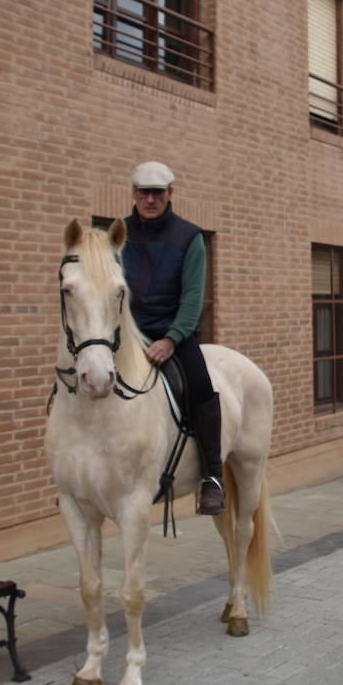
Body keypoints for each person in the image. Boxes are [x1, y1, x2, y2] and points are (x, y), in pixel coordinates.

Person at [122, 161, 224, 515]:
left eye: (158, 193)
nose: (150, 199)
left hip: (174, 335)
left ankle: (212, 477)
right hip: (129, 334)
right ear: (133, 193)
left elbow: (193, 297)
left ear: (170, 194)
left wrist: (172, 338)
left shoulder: (189, 236)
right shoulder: (117, 233)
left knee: (200, 385)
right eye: (143, 192)